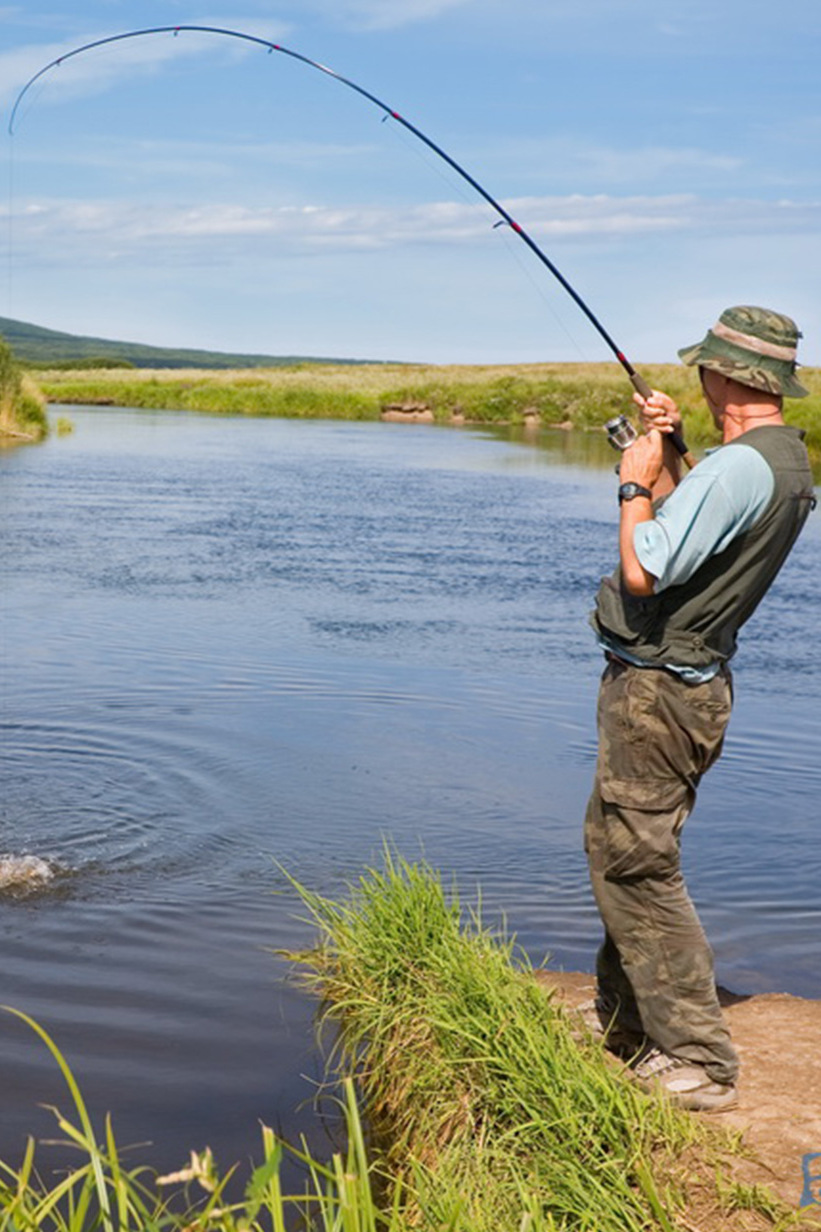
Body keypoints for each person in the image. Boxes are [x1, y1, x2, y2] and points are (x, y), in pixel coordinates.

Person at [584, 305, 815, 1112]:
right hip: (686, 687)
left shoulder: (740, 468)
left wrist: (633, 477)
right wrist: (677, 449)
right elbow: (699, 528)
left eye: (704, 367)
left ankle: (696, 1059)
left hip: (659, 695)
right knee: (618, 843)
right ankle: (625, 1015)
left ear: (729, 377)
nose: (696, 375)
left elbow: (648, 567)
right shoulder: (775, 458)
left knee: (639, 861)